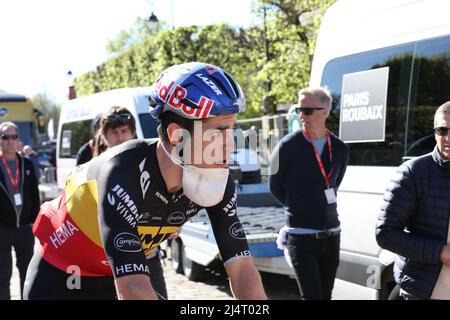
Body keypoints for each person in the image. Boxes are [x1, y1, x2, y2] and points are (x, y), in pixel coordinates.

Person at [24, 62, 267, 300]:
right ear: (176, 135)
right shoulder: (122, 170)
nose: (231, 144)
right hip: (61, 276)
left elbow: (242, 268)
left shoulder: (216, 178)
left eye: (233, 129)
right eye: (219, 131)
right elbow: (132, 288)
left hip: (114, 275)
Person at [269, 87, 349, 300]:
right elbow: (274, 185)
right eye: (299, 110)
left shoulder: (340, 148)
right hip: (301, 236)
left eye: (307, 110)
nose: (301, 116)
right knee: (312, 296)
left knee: (326, 296)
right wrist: (299, 206)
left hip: (332, 234)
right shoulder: (287, 146)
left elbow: (334, 183)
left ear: (324, 111)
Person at [376, 101, 450, 300]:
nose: (447, 138)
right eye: (442, 130)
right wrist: (440, 252)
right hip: (422, 292)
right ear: (435, 132)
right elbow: (385, 233)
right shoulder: (413, 172)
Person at [93, 105, 169, 300]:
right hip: (107, 260)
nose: (120, 136)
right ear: (103, 135)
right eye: (114, 132)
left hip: (148, 255)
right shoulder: (93, 166)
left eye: (124, 130)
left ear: (132, 132)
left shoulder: (150, 162)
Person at [0, 122, 40, 300]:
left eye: (13, 137)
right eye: (5, 137)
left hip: (25, 227)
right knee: (3, 273)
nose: (10, 141)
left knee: (27, 272)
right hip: (2, 228)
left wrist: (36, 222)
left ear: (19, 140)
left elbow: (34, 194)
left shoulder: (28, 164)